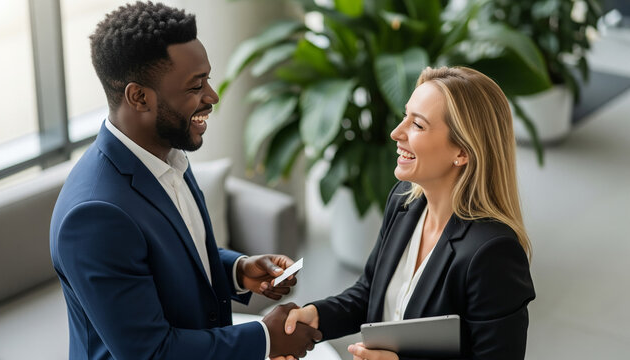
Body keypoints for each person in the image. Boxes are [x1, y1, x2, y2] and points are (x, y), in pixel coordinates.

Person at [49, 2, 320, 359]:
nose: (212, 96)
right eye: (196, 86)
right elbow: (150, 353)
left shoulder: (168, 155)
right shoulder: (96, 216)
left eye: (207, 78)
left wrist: (238, 270)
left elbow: (173, 256)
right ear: (139, 97)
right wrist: (265, 339)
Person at [283, 66, 536, 360]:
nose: (396, 132)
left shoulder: (493, 253)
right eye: (405, 116)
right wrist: (316, 316)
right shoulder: (404, 202)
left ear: (462, 152)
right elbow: (369, 293)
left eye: (418, 125)